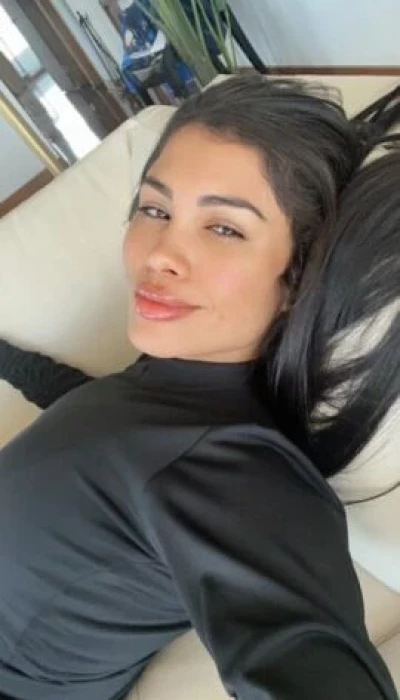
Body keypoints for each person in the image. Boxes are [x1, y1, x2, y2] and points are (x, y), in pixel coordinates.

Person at [0, 75, 398, 700]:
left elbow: (304, 657)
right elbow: (100, 411)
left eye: (225, 229)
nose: (159, 254)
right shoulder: (181, 365)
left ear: (297, 278)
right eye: (155, 210)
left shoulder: (231, 469)